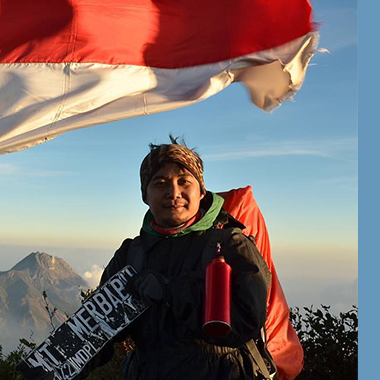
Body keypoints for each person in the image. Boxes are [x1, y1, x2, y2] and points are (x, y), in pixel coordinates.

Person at [83, 136, 277, 380]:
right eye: (160, 183)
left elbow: (246, 322)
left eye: (184, 181)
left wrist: (170, 291)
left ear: (201, 191)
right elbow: (101, 326)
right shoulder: (131, 253)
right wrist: (58, 366)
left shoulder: (231, 245)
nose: (173, 192)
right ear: (145, 194)